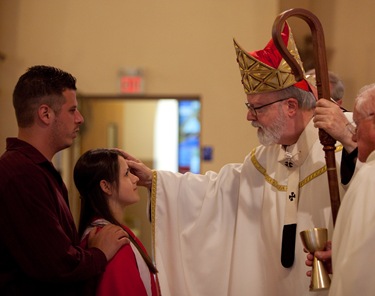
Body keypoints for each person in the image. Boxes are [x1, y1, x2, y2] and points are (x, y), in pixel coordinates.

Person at [125, 23, 349, 296]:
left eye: (257, 108)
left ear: (290, 106)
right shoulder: (265, 159)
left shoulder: (340, 145)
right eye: (249, 107)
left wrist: (347, 249)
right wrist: (155, 180)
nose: (249, 117)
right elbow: (216, 192)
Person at [0, 65, 129, 295]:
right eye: (72, 110)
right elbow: (55, 266)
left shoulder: (39, 171)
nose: (79, 119)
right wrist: (100, 253)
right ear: (45, 114)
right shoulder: (20, 175)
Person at [305, 84, 375, 296]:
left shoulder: (370, 179)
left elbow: (360, 279)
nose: (353, 137)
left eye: (356, 126)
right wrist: (343, 255)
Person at [74, 148, 160, 296]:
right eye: (127, 173)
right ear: (106, 186)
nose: (136, 179)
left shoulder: (106, 232)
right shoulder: (113, 241)